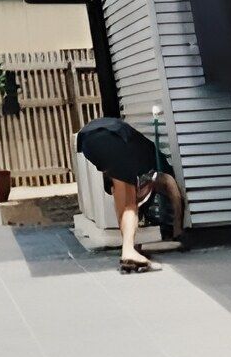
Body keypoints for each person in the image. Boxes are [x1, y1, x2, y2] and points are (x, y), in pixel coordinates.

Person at [76, 117, 188, 273]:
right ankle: (128, 251)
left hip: (87, 143)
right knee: (130, 204)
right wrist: (178, 230)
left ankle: (128, 249)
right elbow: (170, 186)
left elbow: (122, 200)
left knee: (124, 202)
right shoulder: (152, 160)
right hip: (114, 138)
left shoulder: (136, 160)